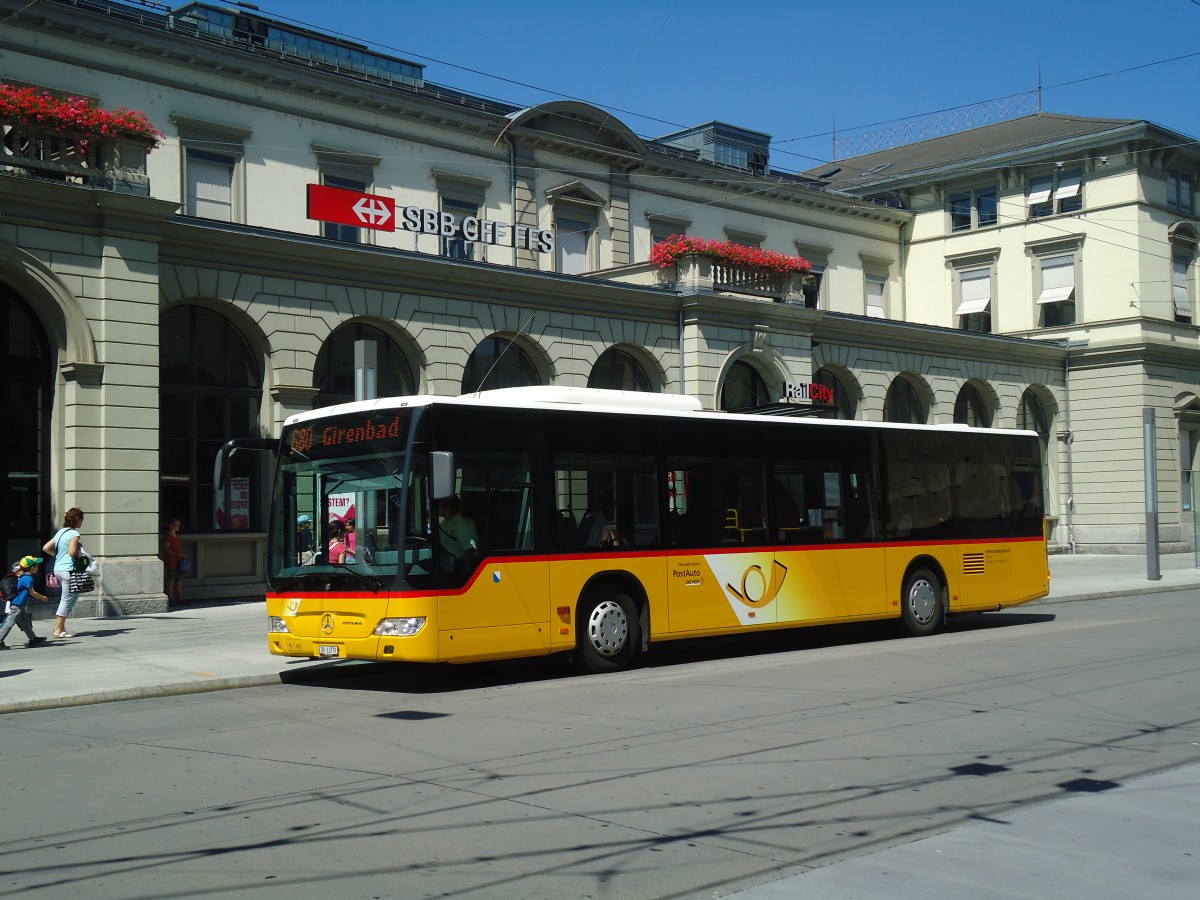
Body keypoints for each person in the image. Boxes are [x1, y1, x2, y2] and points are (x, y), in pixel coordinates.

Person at [42, 506, 84, 640]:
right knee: (66, 599)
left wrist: (58, 554)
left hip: (58, 569)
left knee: (74, 595)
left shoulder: (60, 532)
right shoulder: (74, 534)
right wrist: (78, 549)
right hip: (68, 570)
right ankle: (58, 629)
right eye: (81, 519)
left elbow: (46, 548)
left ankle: (61, 627)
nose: (82, 522)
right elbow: (72, 552)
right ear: (78, 520)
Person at [0, 556, 49, 649]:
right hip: (17, 605)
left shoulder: (22, 576)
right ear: (32, 568)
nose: (38, 568)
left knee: (25, 623)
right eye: (36, 566)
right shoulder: (28, 578)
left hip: (19, 604)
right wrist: (43, 598)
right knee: (9, 623)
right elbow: (32, 592)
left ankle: (33, 639)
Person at [437, 494, 478, 571]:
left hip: (461, 563)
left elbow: (470, 550)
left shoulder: (461, 522)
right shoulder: (444, 523)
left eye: (438, 505)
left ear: (447, 507)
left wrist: (464, 570)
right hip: (448, 562)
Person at [161, 517, 186, 606]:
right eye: (176, 525)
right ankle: (170, 599)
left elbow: (178, 548)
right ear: (171, 526)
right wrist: (177, 554)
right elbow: (166, 549)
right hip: (170, 561)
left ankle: (180, 598)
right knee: (170, 580)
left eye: (179, 525)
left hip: (178, 561)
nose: (178, 527)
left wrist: (182, 554)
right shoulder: (169, 536)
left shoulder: (177, 537)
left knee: (179, 580)